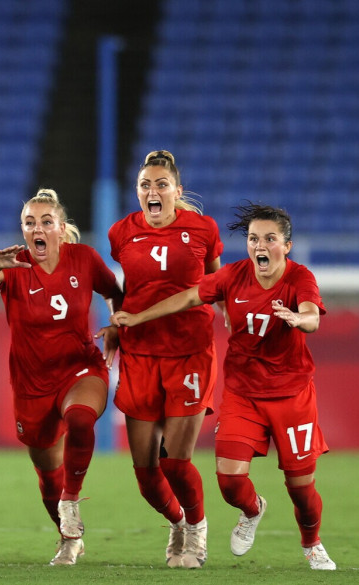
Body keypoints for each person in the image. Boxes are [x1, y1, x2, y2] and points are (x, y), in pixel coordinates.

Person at [112, 203, 335, 570]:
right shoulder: (232, 276)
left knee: (301, 489)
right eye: (252, 239)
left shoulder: (300, 278)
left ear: (287, 246)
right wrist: (137, 317)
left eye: (269, 239)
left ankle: (312, 544)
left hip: (292, 396)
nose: (259, 246)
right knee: (230, 483)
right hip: (243, 394)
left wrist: (298, 318)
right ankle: (253, 509)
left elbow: (312, 315)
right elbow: (186, 297)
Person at [0, 189, 121, 566]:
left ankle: (72, 500)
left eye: (45, 222)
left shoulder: (83, 258)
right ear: (23, 230)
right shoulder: (15, 264)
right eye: (29, 223)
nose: (37, 229)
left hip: (79, 367)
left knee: (81, 418)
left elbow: (115, 293)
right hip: (31, 381)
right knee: (47, 468)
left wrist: (117, 324)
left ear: (60, 228)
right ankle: (68, 537)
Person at [108, 150, 223, 568]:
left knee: (175, 462)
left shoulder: (203, 228)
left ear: (176, 190)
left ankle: (197, 531)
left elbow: (214, 282)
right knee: (144, 473)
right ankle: (177, 521)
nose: (152, 192)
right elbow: (126, 289)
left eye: (160, 184)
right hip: (140, 355)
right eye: (144, 185)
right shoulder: (120, 233)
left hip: (189, 354)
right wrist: (115, 324)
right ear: (137, 192)